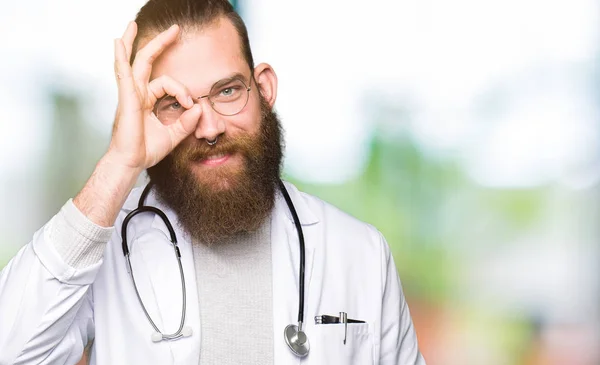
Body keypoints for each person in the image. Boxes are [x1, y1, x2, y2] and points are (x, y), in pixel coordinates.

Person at [0, 0, 425, 364]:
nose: (208, 128)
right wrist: (118, 164)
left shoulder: (361, 254)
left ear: (264, 88)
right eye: (173, 103)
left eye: (226, 91)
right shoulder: (107, 246)